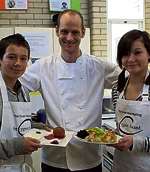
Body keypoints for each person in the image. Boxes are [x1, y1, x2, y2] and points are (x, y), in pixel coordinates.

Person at [20, 9, 119, 172]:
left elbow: (131, 77)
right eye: (64, 31)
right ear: (57, 31)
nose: (69, 38)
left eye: (75, 32)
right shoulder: (44, 66)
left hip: (89, 158)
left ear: (83, 32)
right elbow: (15, 87)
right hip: (54, 157)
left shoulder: (98, 67)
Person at [0, 33, 42, 172]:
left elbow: (14, 123)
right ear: (0, 59)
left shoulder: (23, 91)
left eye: (23, 58)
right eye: (11, 57)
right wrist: (15, 146)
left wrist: (36, 127)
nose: (18, 63)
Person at [111, 29, 150, 172]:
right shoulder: (117, 88)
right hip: (121, 165)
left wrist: (136, 142)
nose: (131, 59)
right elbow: (120, 127)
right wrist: (112, 138)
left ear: (149, 54)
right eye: (126, 54)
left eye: (137, 52)